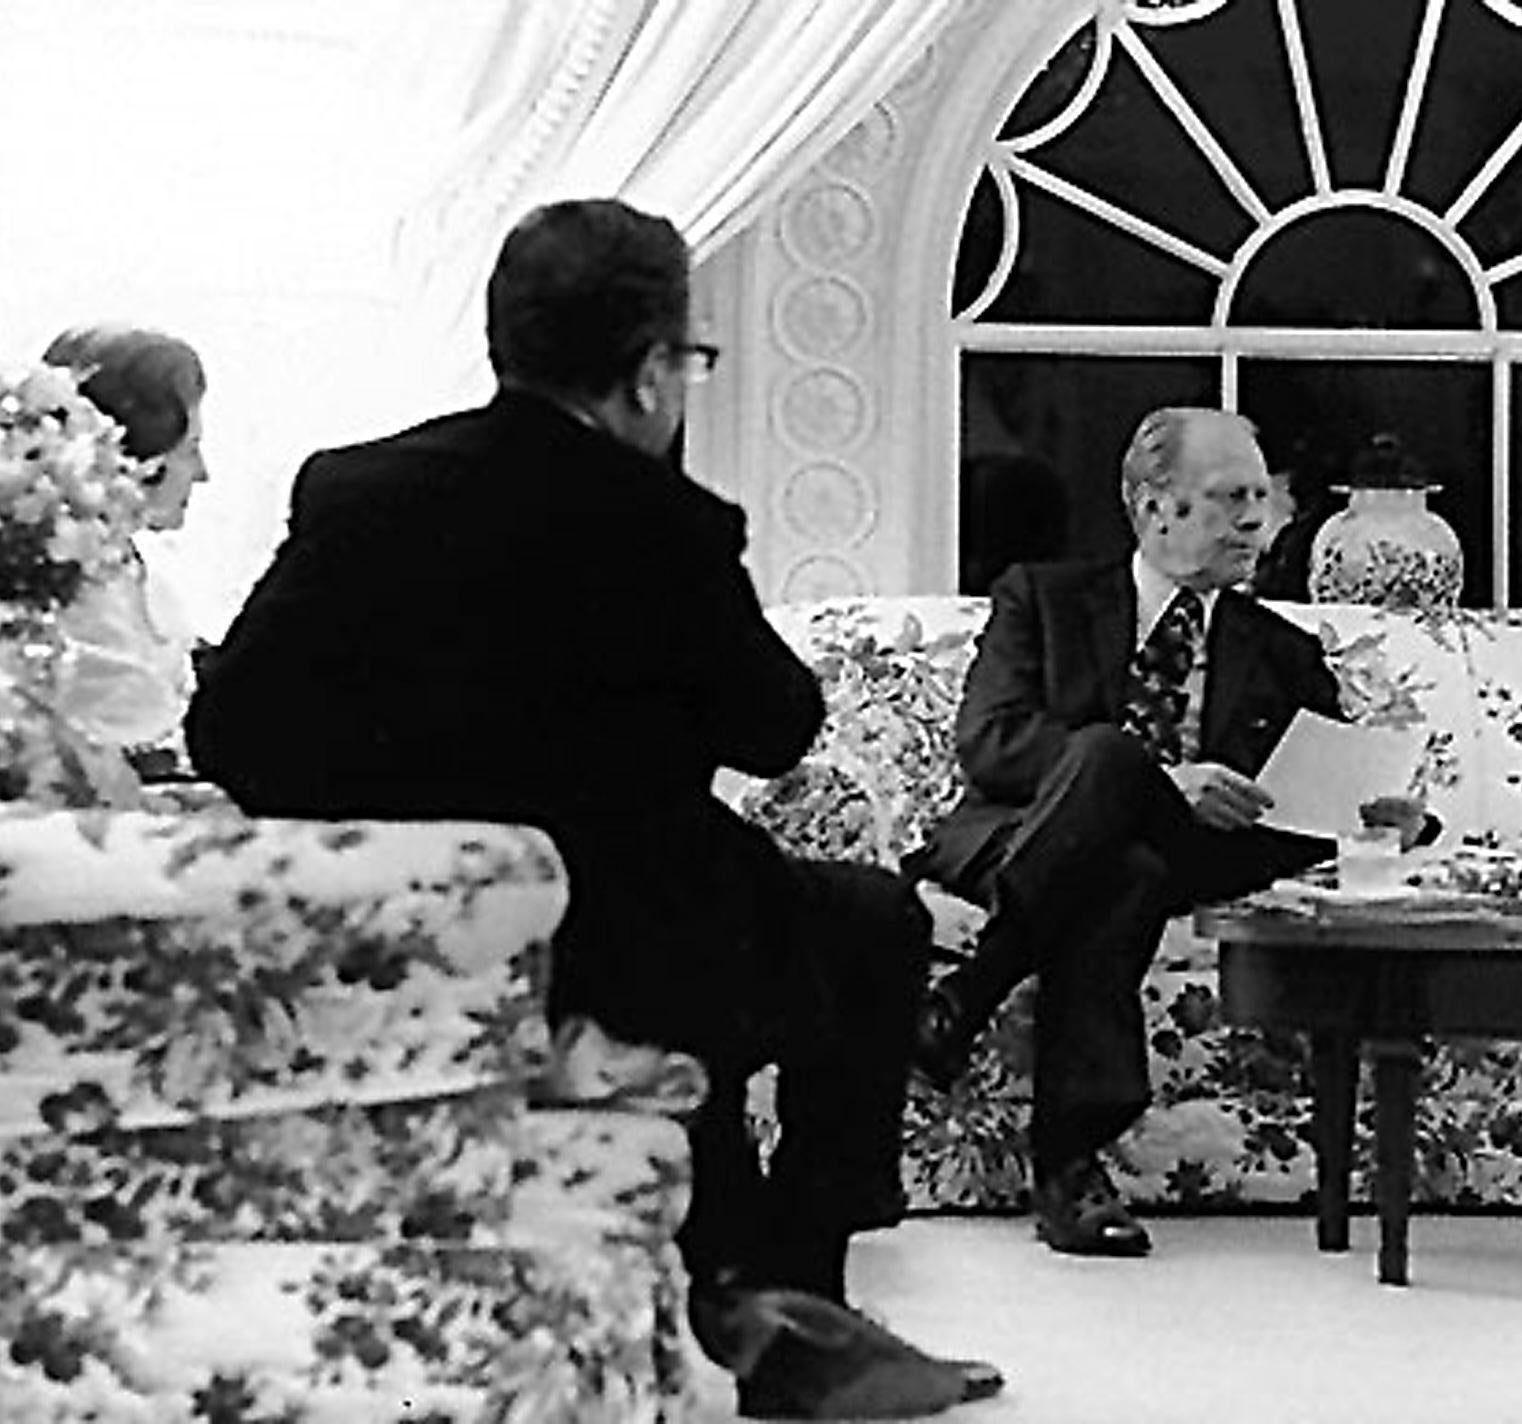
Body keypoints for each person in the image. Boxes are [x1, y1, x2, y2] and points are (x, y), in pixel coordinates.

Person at [184, 199, 1000, 1419]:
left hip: (410, 941)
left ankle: (734, 1286)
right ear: (647, 370)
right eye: (685, 361)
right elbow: (776, 726)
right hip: (628, 941)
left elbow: (229, 733)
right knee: (874, 922)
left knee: (766, 921)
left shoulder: (355, 489)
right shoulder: (665, 524)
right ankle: (795, 1294)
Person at [907, 406, 1350, 1257]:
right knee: (1117, 830)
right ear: (1153, 508)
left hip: (1189, 858)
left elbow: (1326, 796)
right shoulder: (1042, 598)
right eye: (1228, 498)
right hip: (1021, 836)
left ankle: (966, 996)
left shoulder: (1285, 651)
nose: (1256, 520)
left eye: (1262, 496)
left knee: (1134, 842)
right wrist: (1157, 782)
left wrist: (1390, 813)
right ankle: (1070, 1167)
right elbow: (992, 743)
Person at [39, 324, 207, 758]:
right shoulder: (81, 607)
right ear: (139, 464)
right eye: (190, 450)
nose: (203, 472)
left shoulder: (128, 571)